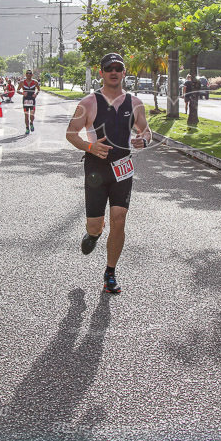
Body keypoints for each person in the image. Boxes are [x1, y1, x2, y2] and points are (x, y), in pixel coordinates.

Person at [65, 53, 150, 294]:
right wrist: (90, 146)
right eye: (108, 68)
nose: (114, 72)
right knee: (95, 225)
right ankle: (93, 233)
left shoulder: (134, 103)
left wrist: (143, 139)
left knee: (119, 219)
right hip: (96, 170)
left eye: (118, 68)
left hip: (123, 168)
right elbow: (71, 133)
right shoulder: (88, 103)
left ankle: (110, 273)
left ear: (124, 72)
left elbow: (146, 130)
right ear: (101, 72)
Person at [19, 69, 41, 134]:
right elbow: (17, 90)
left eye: (30, 73)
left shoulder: (35, 82)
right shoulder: (22, 82)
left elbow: (39, 90)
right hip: (25, 100)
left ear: (32, 74)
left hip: (32, 99)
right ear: (25, 74)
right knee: (26, 116)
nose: (28, 74)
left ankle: (31, 123)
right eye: (27, 73)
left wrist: (36, 94)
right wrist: (22, 93)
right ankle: (27, 128)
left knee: (32, 115)